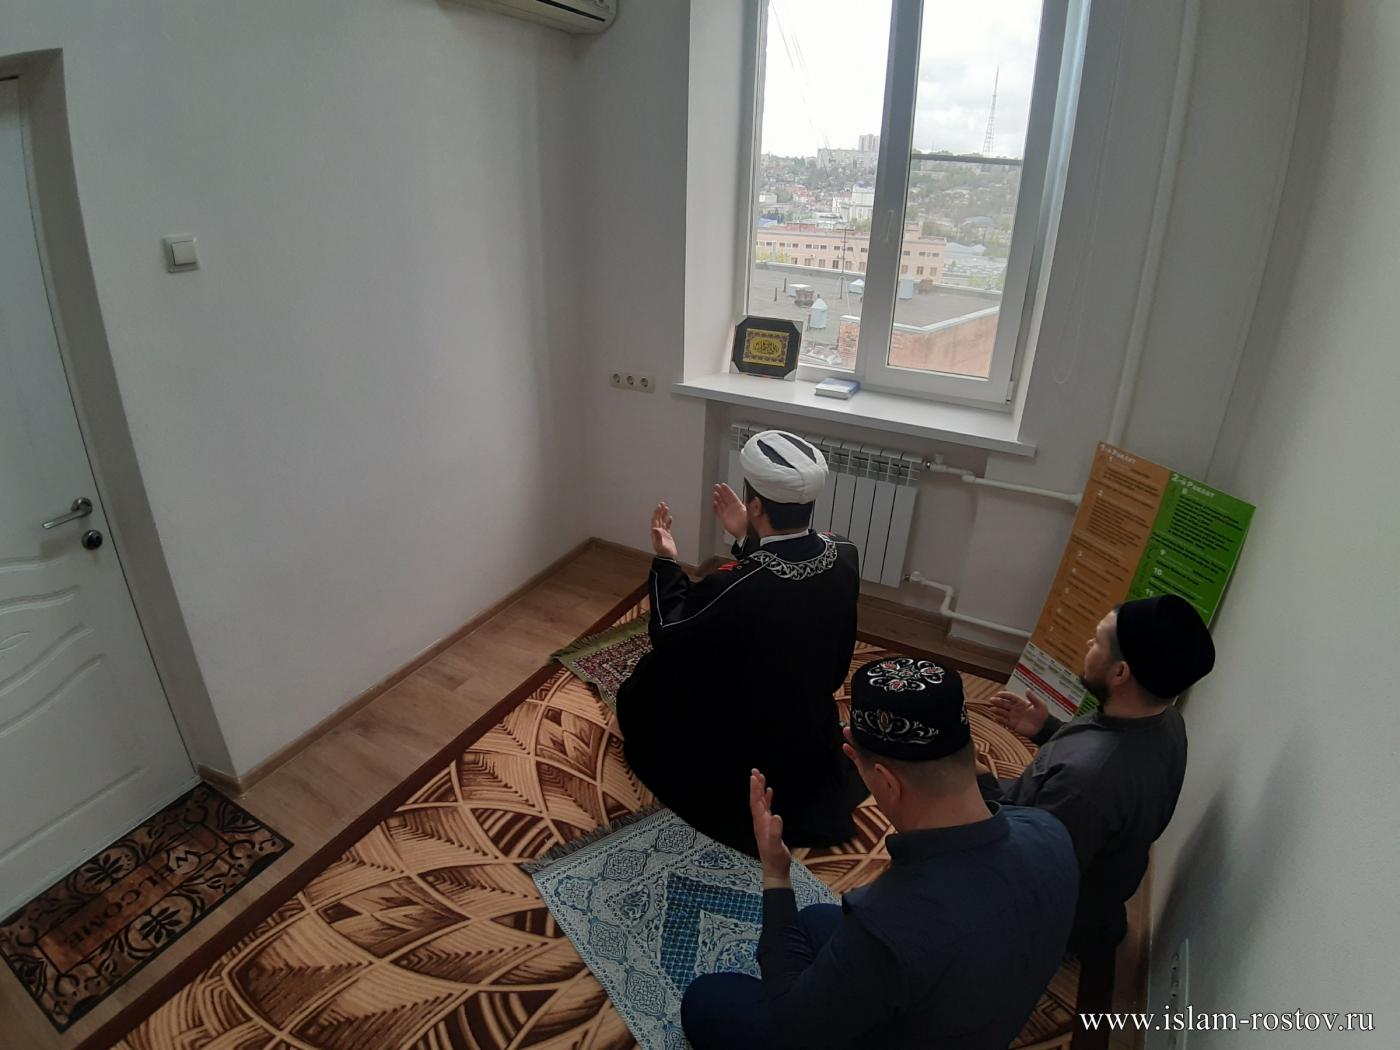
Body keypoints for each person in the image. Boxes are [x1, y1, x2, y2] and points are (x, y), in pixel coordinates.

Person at [682, 657, 1078, 1050]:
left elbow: (792, 1022)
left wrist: (775, 873)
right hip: (974, 1009)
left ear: (887, 782)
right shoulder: (1048, 829)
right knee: (815, 919)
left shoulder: (886, 920)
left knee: (708, 1000)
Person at [616, 429, 867, 854]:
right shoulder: (844, 551)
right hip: (808, 719)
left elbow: (670, 631)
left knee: (652, 675)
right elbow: (787, 592)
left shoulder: (734, 583)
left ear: (755, 506)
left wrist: (666, 561)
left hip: (748, 731)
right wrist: (746, 538)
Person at [979, 593, 1216, 955]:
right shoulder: (1166, 721)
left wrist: (975, 780)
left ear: (1120, 673)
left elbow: (1029, 867)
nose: (1088, 643)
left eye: (1098, 640)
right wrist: (1047, 729)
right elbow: (1096, 767)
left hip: (1048, 908)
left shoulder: (1087, 781)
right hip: (1092, 872)